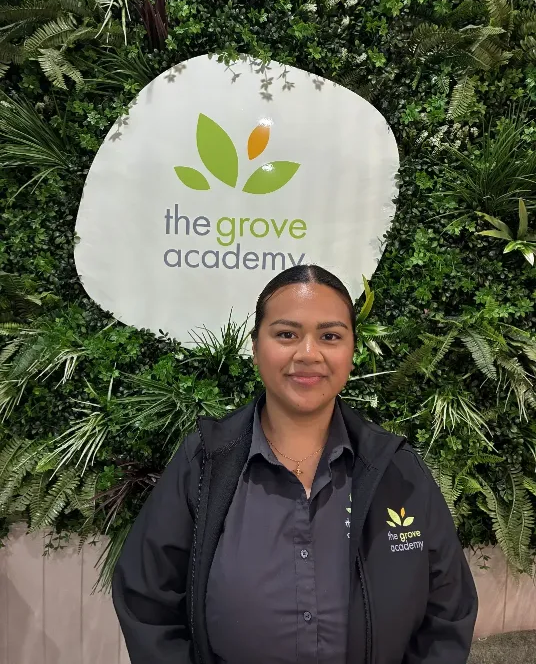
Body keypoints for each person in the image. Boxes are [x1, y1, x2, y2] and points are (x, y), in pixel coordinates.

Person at [112, 264, 478, 664]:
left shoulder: (396, 470)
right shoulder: (204, 462)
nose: (308, 354)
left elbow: (448, 612)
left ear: (351, 352)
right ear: (255, 348)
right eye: (286, 334)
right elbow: (146, 601)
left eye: (330, 336)